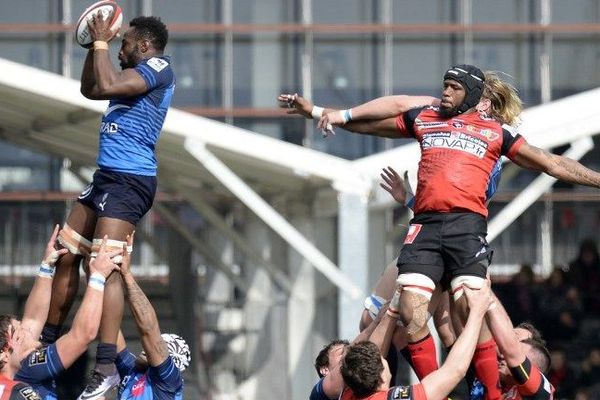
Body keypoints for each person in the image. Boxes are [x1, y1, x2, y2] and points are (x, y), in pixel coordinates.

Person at [280, 64, 600, 398]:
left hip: (465, 226)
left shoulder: (494, 132)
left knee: (462, 311)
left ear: (480, 100)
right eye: (444, 86)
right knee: (409, 311)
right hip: (427, 224)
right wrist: (326, 113)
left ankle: (485, 391)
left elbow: (553, 163)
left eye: (453, 87)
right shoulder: (429, 116)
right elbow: (386, 115)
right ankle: (438, 391)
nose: (445, 91)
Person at [42, 10, 175, 400]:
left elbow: (108, 81)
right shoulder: (124, 76)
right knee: (67, 254)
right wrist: (93, 47)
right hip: (105, 177)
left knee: (105, 267)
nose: (119, 48)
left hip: (130, 182)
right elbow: (92, 88)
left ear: (145, 46)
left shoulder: (158, 67)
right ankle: (47, 343)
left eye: (124, 42)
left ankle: (104, 367)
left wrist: (99, 41)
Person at [2, 227, 121, 400]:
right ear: (4, 355)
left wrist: (46, 267)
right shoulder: (27, 370)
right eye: (18, 334)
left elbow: (32, 318)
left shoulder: (17, 368)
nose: (26, 330)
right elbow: (83, 335)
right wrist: (98, 277)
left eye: (21, 327)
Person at [340, 282, 493, 400]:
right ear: (382, 377)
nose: (383, 355)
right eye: (382, 359)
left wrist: (392, 311)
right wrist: (477, 313)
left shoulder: (350, 392)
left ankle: (439, 280)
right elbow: (455, 370)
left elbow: (374, 350)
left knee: (408, 327)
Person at [110, 234, 190, 400]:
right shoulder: (132, 372)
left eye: (158, 346)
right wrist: (97, 272)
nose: (146, 347)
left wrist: (127, 275)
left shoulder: (168, 383)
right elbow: (109, 324)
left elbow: (149, 330)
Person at [485, 280, 554, 399]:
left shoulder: (540, 392)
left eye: (514, 341)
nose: (504, 349)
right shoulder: (487, 376)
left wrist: (483, 288)